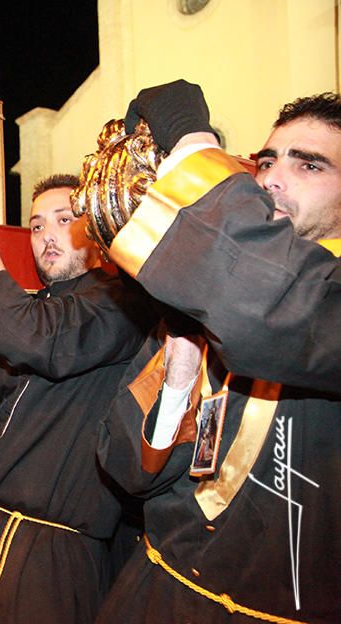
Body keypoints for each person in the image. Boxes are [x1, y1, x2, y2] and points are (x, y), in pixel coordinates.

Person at [96, 81, 341, 622]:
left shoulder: (267, 291)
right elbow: (123, 467)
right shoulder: (203, 296)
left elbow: (274, 306)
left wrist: (192, 147)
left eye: (310, 166)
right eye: (268, 160)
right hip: (150, 591)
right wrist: (178, 386)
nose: (272, 178)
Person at [0, 180, 156, 623]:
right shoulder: (28, 311)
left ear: (95, 229)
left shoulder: (122, 306)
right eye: (36, 226)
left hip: (44, 556)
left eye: (64, 219)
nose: (47, 235)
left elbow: (35, 337)